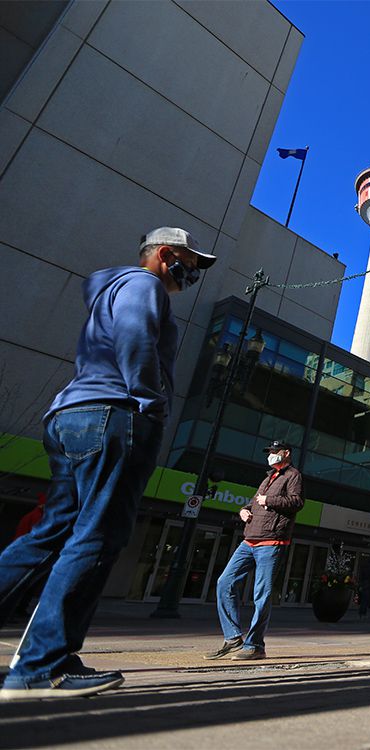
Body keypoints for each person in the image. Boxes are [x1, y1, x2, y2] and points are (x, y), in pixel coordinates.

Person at [0, 228, 215, 699]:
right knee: (97, 534)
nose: (194, 272)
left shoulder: (109, 292)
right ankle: (43, 664)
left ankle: (45, 658)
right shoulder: (144, 286)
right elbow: (137, 339)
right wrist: (150, 399)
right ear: (164, 255)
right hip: (113, 415)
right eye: (190, 261)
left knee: (49, 535)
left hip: (71, 415)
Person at [205, 440, 304, 661]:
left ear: (286, 453)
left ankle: (255, 645)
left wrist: (269, 500)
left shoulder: (293, 475)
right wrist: (244, 511)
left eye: (275, 452)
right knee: (224, 582)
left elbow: (297, 502)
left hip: (272, 542)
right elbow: (253, 503)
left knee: (262, 595)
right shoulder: (268, 477)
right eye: (269, 452)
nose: (271, 455)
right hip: (249, 540)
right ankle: (232, 638)